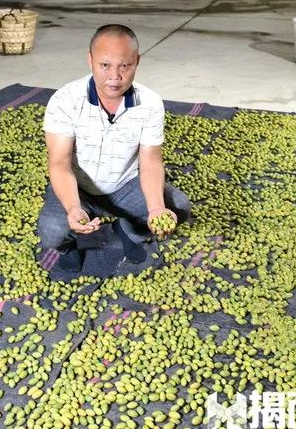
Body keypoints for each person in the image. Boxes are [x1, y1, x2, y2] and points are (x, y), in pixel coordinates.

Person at [37, 24, 191, 273]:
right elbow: (59, 163)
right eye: (105, 65)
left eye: (125, 66)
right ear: (90, 61)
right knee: (52, 232)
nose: (114, 76)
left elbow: (150, 162)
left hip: (125, 187)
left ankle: (128, 231)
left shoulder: (150, 103)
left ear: (137, 61)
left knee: (179, 206)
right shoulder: (65, 100)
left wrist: (155, 208)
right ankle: (70, 246)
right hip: (80, 188)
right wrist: (74, 207)